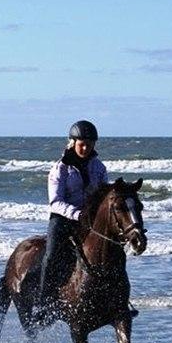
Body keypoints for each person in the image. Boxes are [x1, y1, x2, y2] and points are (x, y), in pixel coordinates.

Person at [34, 120, 108, 324]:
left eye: (89, 144)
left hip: (90, 220)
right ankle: (42, 302)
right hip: (64, 218)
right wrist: (77, 214)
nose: (85, 148)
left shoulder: (99, 167)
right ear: (73, 142)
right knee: (51, 255)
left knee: (112, 250)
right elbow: (55, 202)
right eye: (81, 143)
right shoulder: (60, 169)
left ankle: (118, 302)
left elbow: (103, 193)